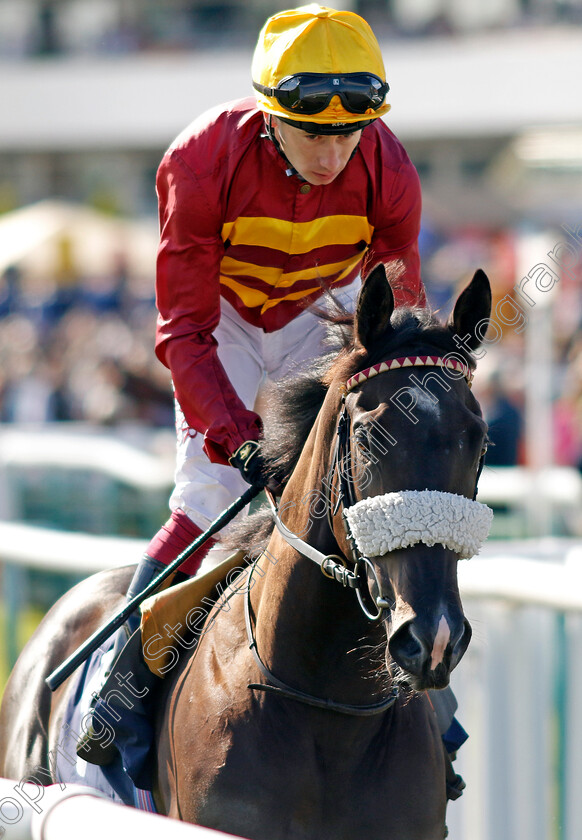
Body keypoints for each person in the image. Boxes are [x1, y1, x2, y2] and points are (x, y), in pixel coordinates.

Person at [81, 3, 438, 789]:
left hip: (324, 314)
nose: (334, 152)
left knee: (366, 480)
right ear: (271, 115)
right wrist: (232, 433)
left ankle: (431, 711)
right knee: (211, 493)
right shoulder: (200, 159)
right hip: (226, 322)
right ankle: (124, 686)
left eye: (351, 133)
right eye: (315, 132)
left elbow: (399, 316)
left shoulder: (390, 168)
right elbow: (182, 333)